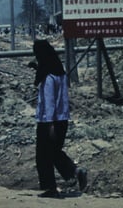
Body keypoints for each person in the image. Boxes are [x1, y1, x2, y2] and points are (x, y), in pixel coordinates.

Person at [30, 39, 87, 199]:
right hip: (63, 119)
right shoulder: (59, 72)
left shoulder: (48, 77)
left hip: (49, 121)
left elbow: (49, 102)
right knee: (54, 152)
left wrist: (50, 125)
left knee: (43, 156)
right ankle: (75, 172)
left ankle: (50, 188)